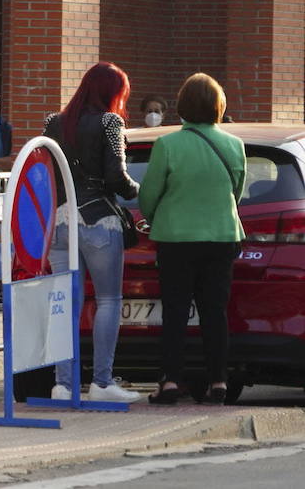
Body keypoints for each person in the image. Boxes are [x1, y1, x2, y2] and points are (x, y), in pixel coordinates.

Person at [138, 73, 245, 405]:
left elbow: (148, 196)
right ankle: (218, 382)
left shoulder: (167, 145)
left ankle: (170, 381)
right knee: (215, 312)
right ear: (218, 106)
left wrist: (159, 220)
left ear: (182, 106)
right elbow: (236, 192)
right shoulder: (234, 144)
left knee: (175, 311)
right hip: (221, 236)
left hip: (176, 239)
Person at [42, 61, 141, 404]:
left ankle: (62, 385)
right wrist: (138, 191)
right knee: (108, 300)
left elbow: (46, 171)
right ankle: (101, 382)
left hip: (59, 221)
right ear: (112, 93)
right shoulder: (110, 122)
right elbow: (117, 178)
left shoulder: (53, 122)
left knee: (64, 304)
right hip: (99, 219)